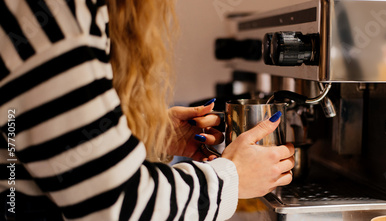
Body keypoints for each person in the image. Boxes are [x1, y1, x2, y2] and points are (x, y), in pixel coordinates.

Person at [0, 0, 295, 220]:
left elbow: (24, 143)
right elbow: (116, 205)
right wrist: (231, 178)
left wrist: (137, 136)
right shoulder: (54, 18)